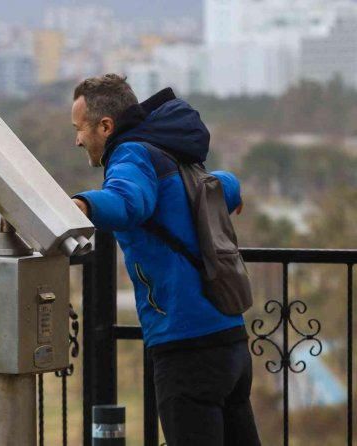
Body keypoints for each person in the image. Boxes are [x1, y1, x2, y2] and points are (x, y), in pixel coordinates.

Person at [70, 74, 261, 446]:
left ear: (106, 126)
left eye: (79, 129)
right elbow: (217, 182)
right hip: (230, 339)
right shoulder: (171, 149)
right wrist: (231, 190)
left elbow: (128, 202)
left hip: (186, 347)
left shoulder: (130, 155)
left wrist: (82, 204)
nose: (77, 139)